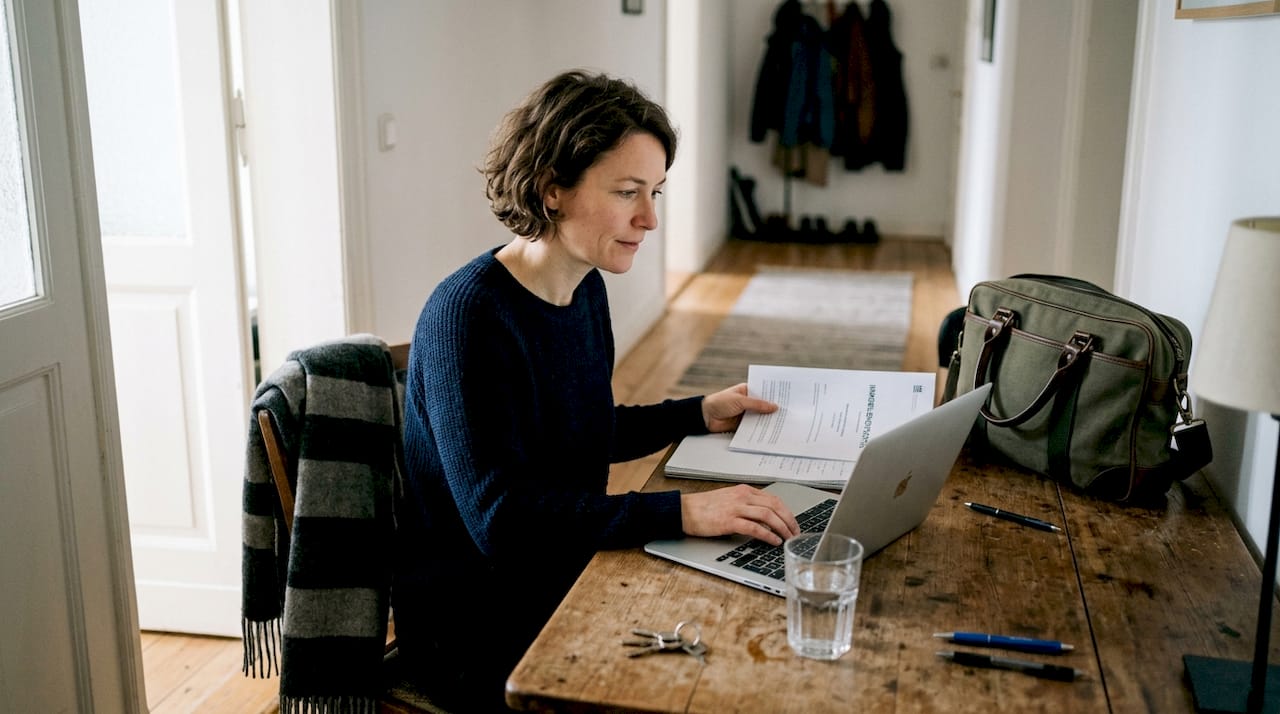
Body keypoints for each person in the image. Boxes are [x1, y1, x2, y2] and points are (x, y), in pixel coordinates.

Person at [393, 69, 800, 711]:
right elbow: (503, 523)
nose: (649, 218)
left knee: (754, 608)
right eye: (628, 192)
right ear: (552, 189)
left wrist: (697, 412)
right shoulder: (467, 317)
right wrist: (684, 512)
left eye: (656, 192)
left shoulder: (583, 288)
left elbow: (579, 430)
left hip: (562, 568)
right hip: (478, 621)